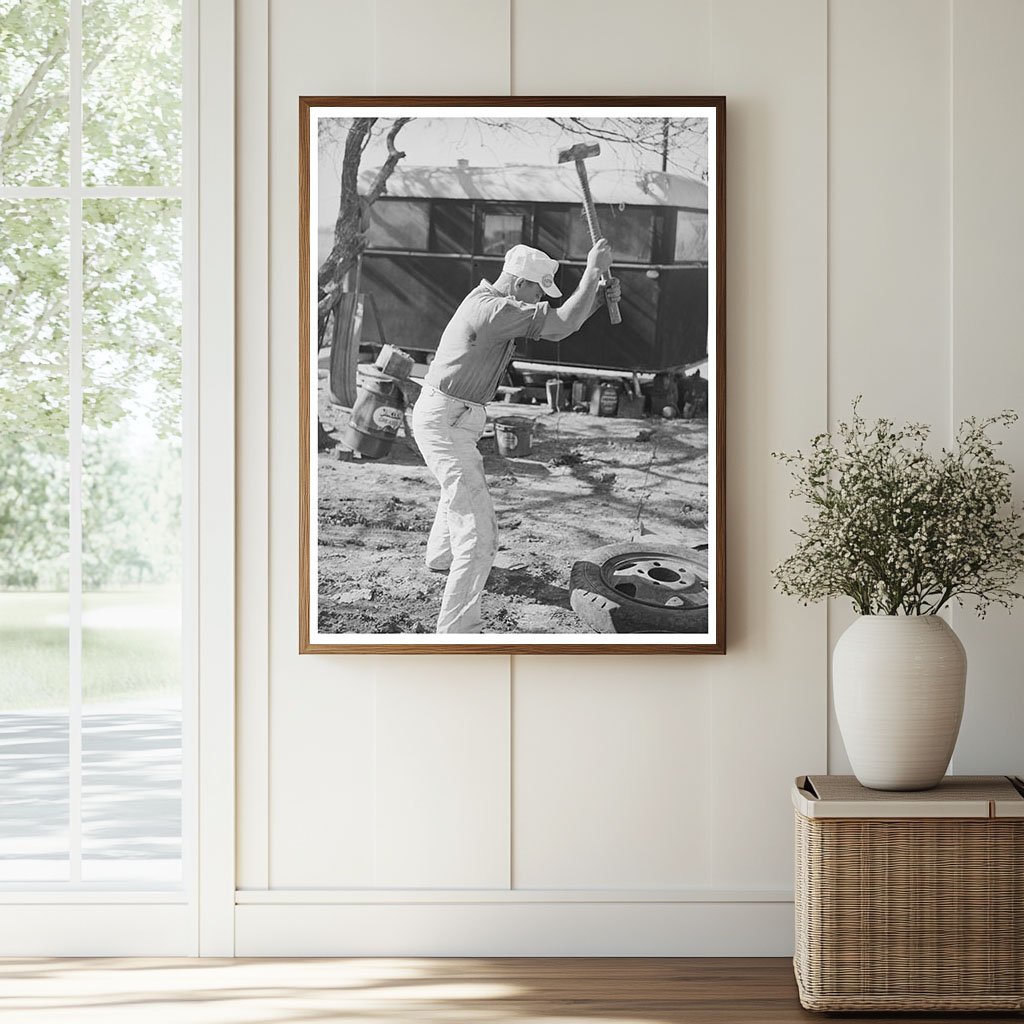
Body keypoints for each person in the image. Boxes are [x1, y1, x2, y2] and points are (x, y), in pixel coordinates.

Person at [411, 239, 620, 633]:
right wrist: (592, 272)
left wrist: (595, 297)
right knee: (479, 536)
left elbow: (567, 320)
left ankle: (441, 558)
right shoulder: (492, 310)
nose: (538, 298)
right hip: (445, 419)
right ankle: (457, 634)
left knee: (457, 489)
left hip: (456, 417)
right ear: (520, 283)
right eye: (537, 290)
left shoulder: (497, 303)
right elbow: (560, 325)